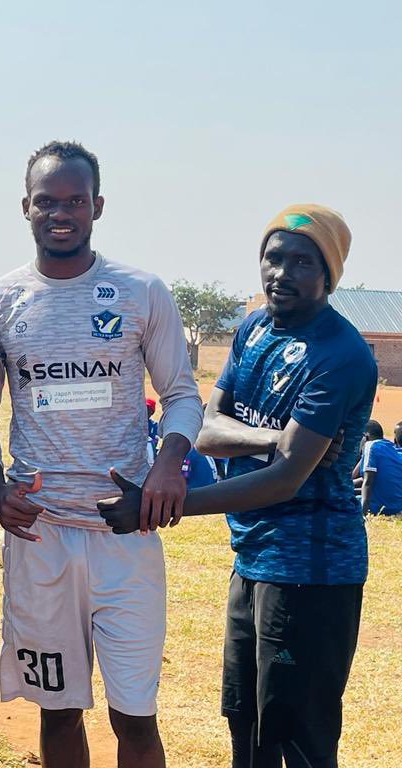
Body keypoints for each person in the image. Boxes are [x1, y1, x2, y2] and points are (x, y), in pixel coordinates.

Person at [99, 204, 377, 768]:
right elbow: (206, 430)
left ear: (329, 273)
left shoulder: (341, 354)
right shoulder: (253, 328)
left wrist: (159, 507)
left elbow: (285, 479)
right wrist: (274, 435)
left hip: (312, 571)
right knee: (244, 724)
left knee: (298, 736)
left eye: (302, 262)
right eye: (273, 259)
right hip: (251, 558)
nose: (282, 273)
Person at [0, 141, 203, 768]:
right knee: (58, 711)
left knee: (134, 716)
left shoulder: (141, 292)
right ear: (25, 207)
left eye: (75, 200)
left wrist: (168, 461)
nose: (62, 213)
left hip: (124, 535)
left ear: (97, 206)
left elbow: (182, 395)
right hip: (40, 538)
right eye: (47, 201)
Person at [360, 420, 402, 515]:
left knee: (340, 500)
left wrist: (363, 514)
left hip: (381, 507)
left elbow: (368, 482)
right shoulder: (390, 449)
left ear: (365, 436)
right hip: (397, 506)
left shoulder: (371, 446)